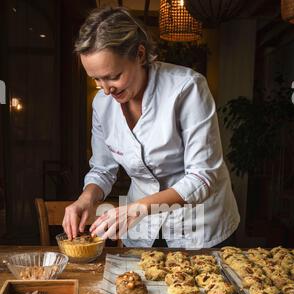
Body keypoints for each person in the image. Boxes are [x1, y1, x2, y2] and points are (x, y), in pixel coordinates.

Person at [62, 6, 240, 249]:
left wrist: (138, 208)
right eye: (96, 79)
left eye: (113, 76)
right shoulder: (102, 104)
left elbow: (203, 176)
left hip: (199, 225)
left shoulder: (187, 88)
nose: (105, 89)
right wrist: (86, 198)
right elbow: (103, 169)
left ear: (140, 54)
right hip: (142, 227)